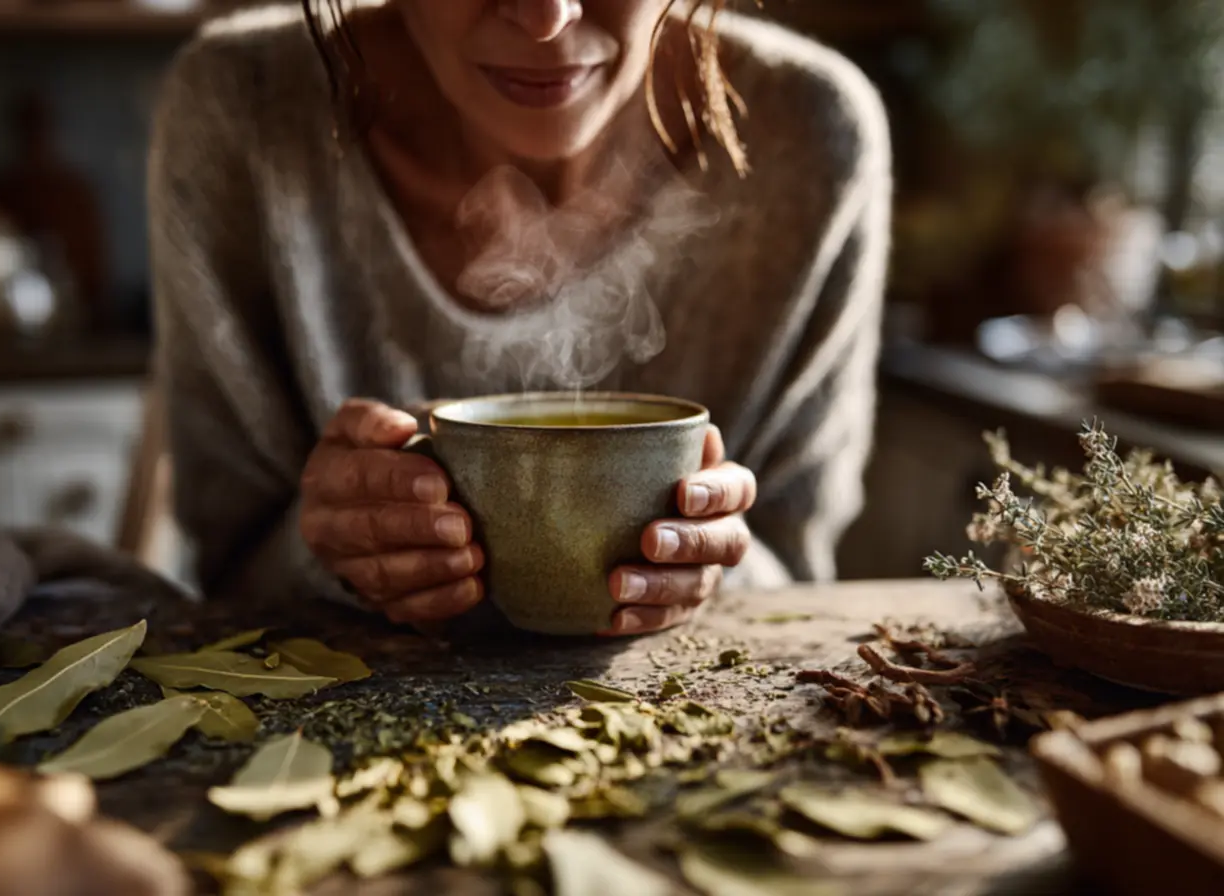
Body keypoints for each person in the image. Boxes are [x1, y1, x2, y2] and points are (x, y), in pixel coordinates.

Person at [148, 0, 890, 636]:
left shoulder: (805, 135)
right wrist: (329, 548)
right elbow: (230, 580)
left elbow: (797, 586)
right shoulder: (242, 110)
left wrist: (711, 567)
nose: (546, 19)